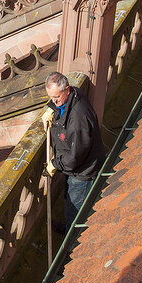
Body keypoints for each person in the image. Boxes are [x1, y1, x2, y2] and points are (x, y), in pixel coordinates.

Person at [43, 72, 105, 229]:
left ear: (67, 90)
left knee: (76, 212)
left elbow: (75, 156)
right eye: (51, 98)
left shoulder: (79, 117)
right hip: (77, 170)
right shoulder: (72, 96)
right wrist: (53, 109)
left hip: (83, 172)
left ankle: (72, 245)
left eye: (56, 97)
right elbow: (63, 111)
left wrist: (55, 164)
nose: (54, 101)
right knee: (70, 201)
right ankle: (70, 227)